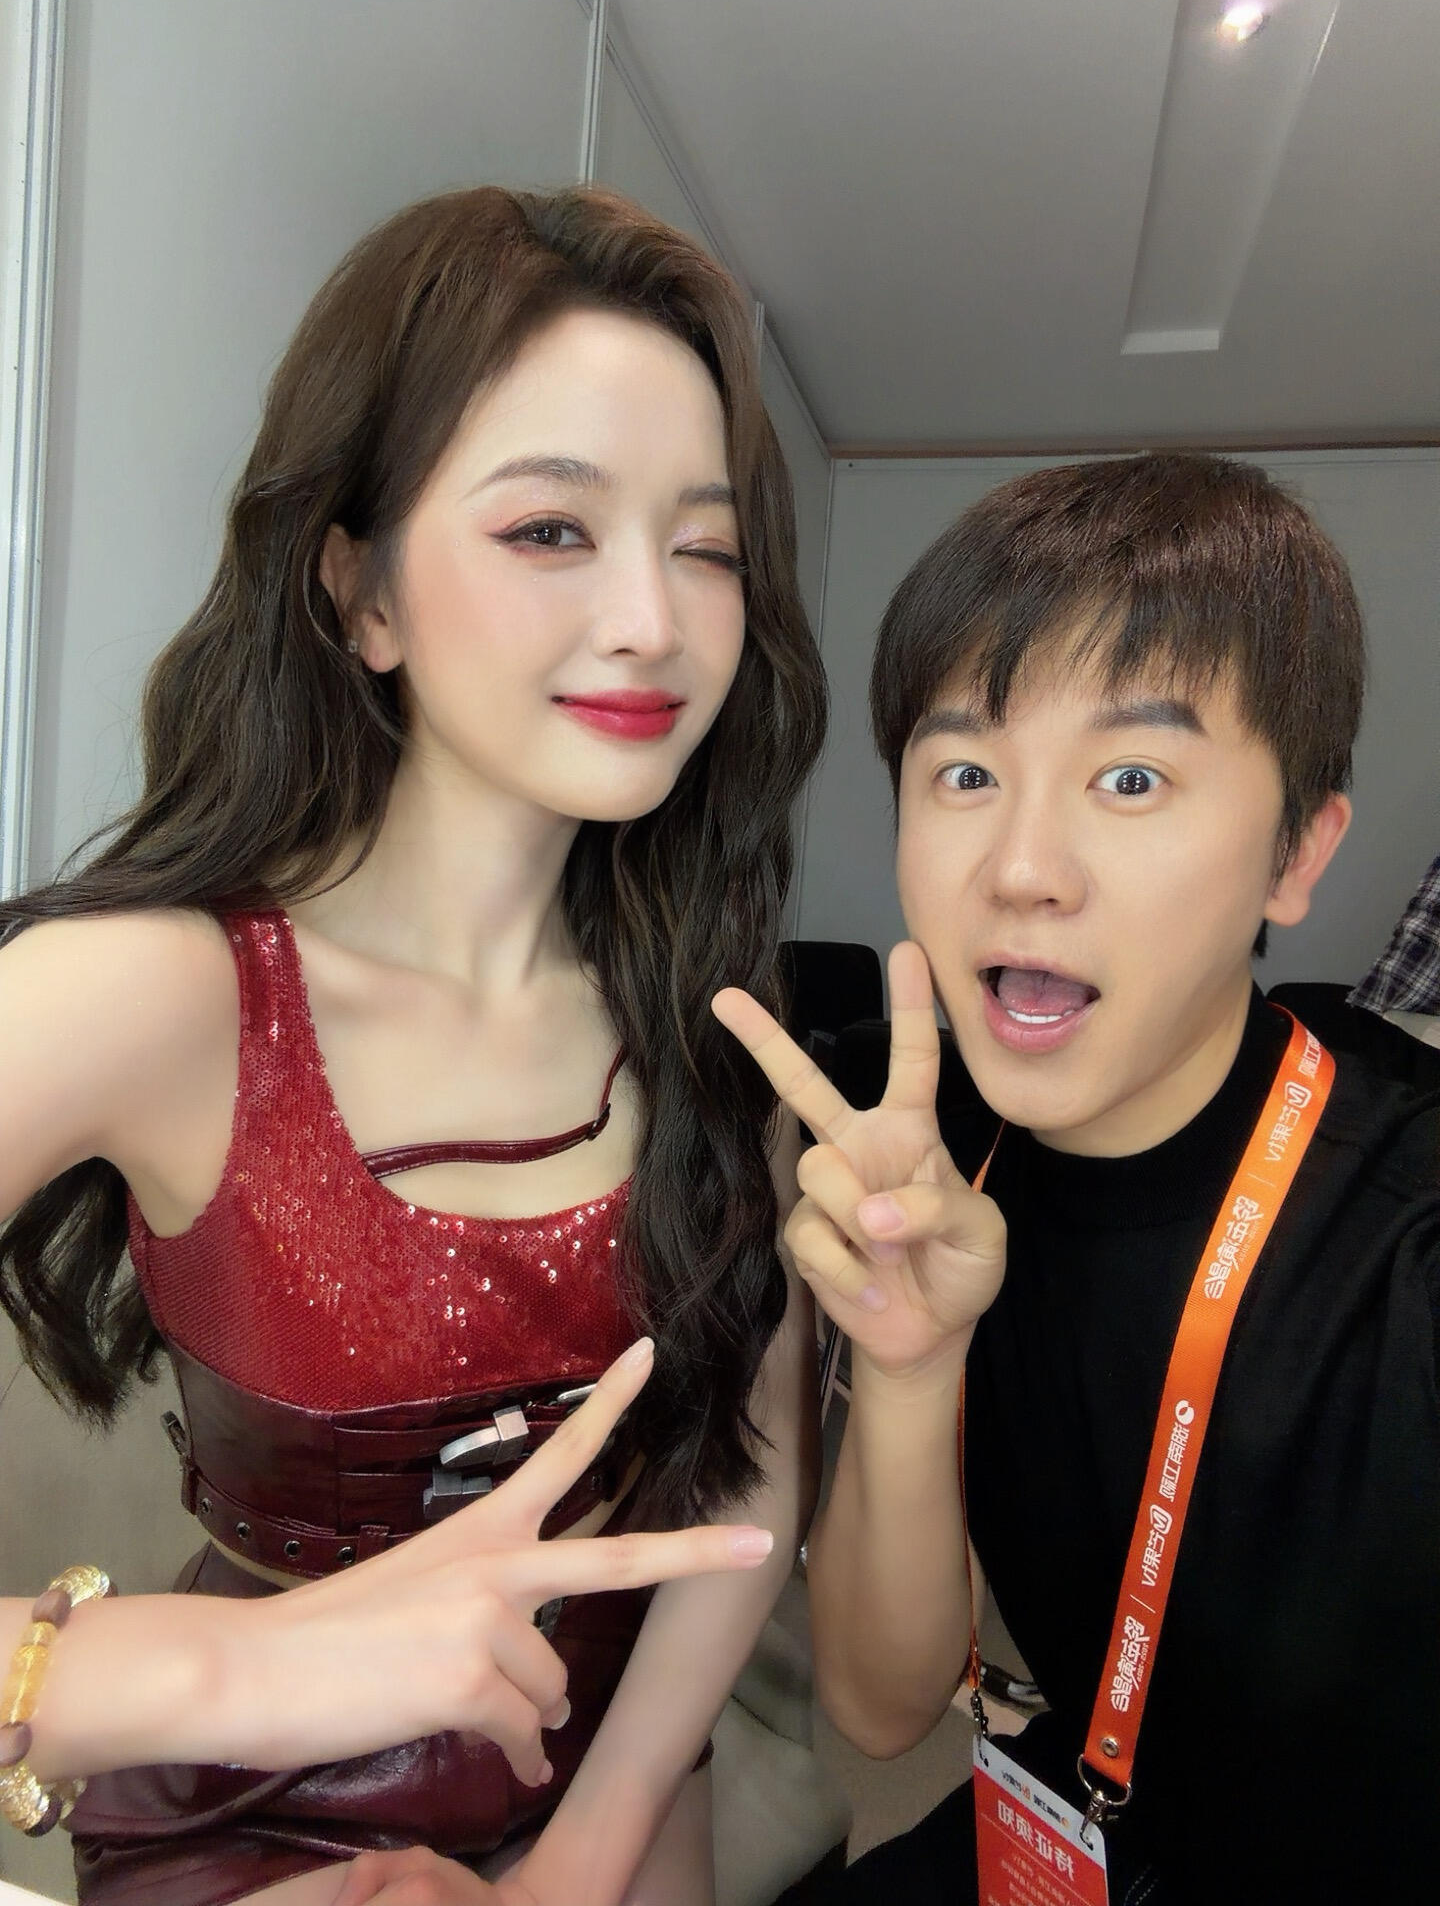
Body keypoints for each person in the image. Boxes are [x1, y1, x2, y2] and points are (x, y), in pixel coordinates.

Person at [0, 184, 826, 1906]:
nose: (655, 621)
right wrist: (232, 1666)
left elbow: (742, 1477)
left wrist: (588, 1853)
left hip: (608, 1793)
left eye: (706, 546)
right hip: (252, 1818)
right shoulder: (147, 995)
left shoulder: (713, 1023)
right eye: (552, 528)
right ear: (360, 592)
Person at [717, 453, 1440, 1904]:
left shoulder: (1402, 1230)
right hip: (1088, 1834)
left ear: (1297, 852)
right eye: (967, 774)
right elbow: (880, 1711)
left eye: (1131, 778)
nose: (1024, 868)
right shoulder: (934, 1150)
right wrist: (907, 1366)